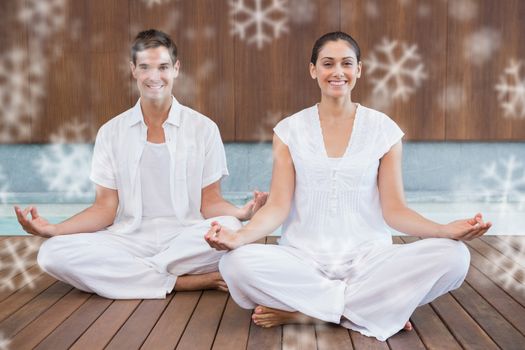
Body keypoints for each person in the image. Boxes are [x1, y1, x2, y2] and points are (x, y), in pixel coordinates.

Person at [205, 31, 491, 341]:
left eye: (347, 63)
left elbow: (395, 211)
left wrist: (445, 230)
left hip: (369, 261)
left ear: (359, 70)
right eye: (328, 64)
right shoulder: (289, 130)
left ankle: (311, 313)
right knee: (235, 264)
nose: (338, 72)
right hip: (304, 260)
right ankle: (369, 310)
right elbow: (277, 206)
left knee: (455, 258)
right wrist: (239, 237)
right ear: (313, 70)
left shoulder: (384, 130)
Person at [14, 29, 267, 299]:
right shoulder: (111, 132)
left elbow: (210, 202)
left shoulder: (204, 129)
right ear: (133, 70)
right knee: (52, 253)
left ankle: (132, 276)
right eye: (145, 67)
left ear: (176, 69)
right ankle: (181, 282)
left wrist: (242, 213)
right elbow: (104, 209)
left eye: (163, 67)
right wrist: (53, 229)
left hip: (186, 238)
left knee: (231, 229)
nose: (154, 76)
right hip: (127, 239)